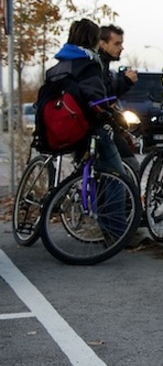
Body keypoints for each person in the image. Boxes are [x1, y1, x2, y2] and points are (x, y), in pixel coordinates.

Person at [45, 19, 126, 235]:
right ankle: (117, 233)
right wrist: (111, 116)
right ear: (93, 40)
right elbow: (96, 100)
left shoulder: (57, 67)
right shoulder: (89, 65)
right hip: (88, 129)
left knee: (93, 171)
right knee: (118, 177)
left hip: (63, 130)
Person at [97, 24, 142, 179]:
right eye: (117, 43)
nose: (121, 48)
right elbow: (103, 94)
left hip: (101, 125)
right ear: (102, 44)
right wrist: (126, 81)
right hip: (99, 126)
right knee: (130, 167)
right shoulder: (98, 65)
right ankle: (121, 203)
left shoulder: (102, 65)